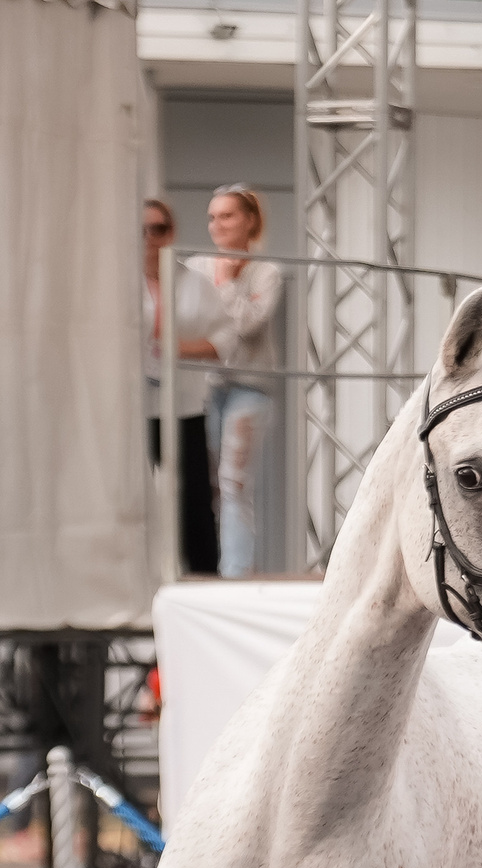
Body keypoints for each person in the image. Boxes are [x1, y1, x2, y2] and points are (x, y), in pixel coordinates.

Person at [185, 185, 282, 578]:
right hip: (202, 388)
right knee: (202, 482)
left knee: (234, 482)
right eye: (212, 217)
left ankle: (236, 572)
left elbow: (248, 324)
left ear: (250, 221)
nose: (217, 225)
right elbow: (191, 322)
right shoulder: (194, 267)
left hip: (250, 388)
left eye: (227, 216)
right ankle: (202, 565)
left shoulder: (267, 271)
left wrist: (225, 283)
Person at [143, 198, 219, 577]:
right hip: (131, 408)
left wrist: (176, 348)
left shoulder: (195, 283)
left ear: (171, 233)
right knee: (136, 497)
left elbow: (226, 342)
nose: (149, 238)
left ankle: (204, 578)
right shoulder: (111, 284)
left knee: (193, 498)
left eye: (158, 229)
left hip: (184, 403)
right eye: (141, 230)